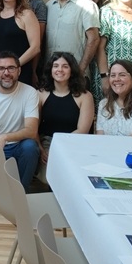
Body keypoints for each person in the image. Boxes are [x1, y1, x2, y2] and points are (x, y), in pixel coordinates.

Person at [0, 52, 40, 204]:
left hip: (20, 147)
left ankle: (21, 193)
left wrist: (5, 137)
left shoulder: (30, 93)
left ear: (19, 70)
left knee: (31, 147)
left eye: (11, 68)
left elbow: (32, 131)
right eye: (1, 68)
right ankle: (7, 190)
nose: (6, 73)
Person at [37, 52, 93, 182]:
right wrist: (40, 149)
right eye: (56, 66)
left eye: (65, 66)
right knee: (50, 178)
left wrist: (58, 148)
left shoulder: (85, 96)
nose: (60, 70)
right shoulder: (41, 94)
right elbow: (33, 127)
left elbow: (82, 130)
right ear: (50, 70)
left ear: (72, 71)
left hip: (74, 143)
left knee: (70, 177)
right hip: (47, 143)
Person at [45, 0, 100, 78]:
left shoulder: (87, 5)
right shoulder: (48, 6)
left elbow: (94, 39)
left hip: (76, 75)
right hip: (51, 75)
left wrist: (80, 70)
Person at [96, 60, 132, 137]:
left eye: (122, 75)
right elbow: (100, 137)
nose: (116, 79)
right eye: (113, 75)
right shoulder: (104, 104)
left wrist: (117, 144)